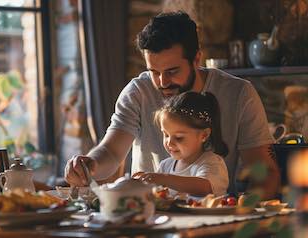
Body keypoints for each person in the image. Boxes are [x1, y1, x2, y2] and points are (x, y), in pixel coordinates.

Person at [65, 11, 280, 199]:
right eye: (154, 72)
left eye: (172, 71)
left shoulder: (239, 93)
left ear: (197, 59)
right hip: (149, 218)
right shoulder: (138, 92)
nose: (162, 82)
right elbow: (111, 152)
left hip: (214, 217)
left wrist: (245, 214)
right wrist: (89, 165)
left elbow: (264, 172)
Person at [135, 92, 229, 196]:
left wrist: (163, 178)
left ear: (204, 135)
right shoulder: (166, 165)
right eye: (166, 135)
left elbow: (203, 187)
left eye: (179, 137)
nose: (169, 142)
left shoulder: (212, 162)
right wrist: (144, 182)